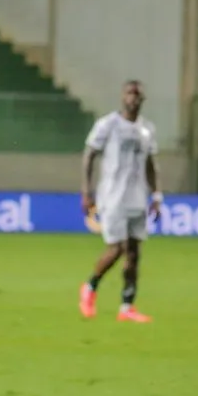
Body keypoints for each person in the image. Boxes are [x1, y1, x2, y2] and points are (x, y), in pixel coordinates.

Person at [79, 80, 160, 323]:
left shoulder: (147, 129)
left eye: (137, 94)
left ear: (142, 99)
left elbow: (150, 165)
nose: (133, 97)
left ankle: (127, 307)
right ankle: (90, 287)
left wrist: (157, 195)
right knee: (117, 248)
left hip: (138, 198)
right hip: (113, 197)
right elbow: (89, 155)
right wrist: (86, 191)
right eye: (129, 93)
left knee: (134, 253)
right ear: (123, 97)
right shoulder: (108, 124)